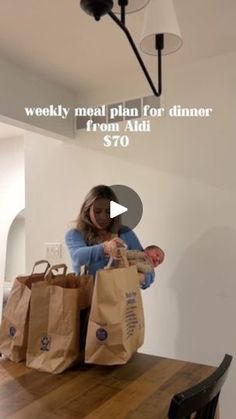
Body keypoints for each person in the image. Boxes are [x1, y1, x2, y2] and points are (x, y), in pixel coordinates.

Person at [65, 185, 163, 289]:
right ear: (87, 210)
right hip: (88, 301)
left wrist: (142, 278)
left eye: (108, 212)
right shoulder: (75, 234)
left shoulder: (125, 233)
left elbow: (148, 268)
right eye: (97, 211)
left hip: (121, 301)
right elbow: (77, 257)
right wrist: (105, 248)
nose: (103, 217)